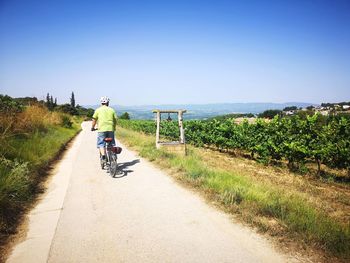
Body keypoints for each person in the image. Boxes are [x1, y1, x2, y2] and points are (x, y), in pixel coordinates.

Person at [91, 96, 118, 162]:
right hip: (110, 129)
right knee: (111, 144)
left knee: (101, 144)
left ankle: (103, 156)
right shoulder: (112, 110)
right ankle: (113, 155)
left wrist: (92, 127)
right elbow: (115, 120)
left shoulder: (98, 110)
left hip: (101, 129)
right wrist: (114, 127)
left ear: (101, 102)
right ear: (108, 102)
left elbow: (94, 120)